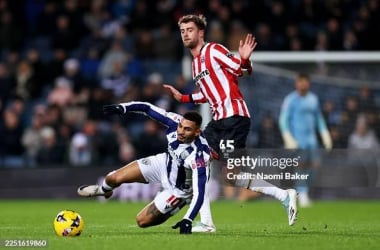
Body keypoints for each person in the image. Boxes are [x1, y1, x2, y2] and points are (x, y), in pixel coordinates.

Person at [164, 14, 298, 232]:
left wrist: (244, 59)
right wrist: (184, 98)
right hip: (218, 121)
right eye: (182, 31)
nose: (186, 34)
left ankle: (283, 195)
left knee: (229, 175)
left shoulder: (214, 50)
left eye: (190, 29)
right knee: (199, 161)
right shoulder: (196, 64)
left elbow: (241, 70)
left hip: (235, 118)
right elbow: (207, 94)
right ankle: (207, 222)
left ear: (200, 33)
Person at [77, 101, 211, 234]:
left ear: (197, 132)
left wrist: (188, 219)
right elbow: (146, 108)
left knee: (142, 221)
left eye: (187, 129)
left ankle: (180, 202)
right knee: (113, 178)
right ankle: (104, 190)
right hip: (163, 164)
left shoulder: (199, 156)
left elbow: (200, 193)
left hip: (179, 189)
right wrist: (123, 108)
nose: (181, 131)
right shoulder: (174, 121)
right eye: (181, 126)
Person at [279, 73, 332, 207]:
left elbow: (319, 119)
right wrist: (287, 137)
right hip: (298, 141)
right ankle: (302, 194)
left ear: (308, 83)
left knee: (315, 166)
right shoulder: (290, 99)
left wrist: (325, 134)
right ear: (296, 83)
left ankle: (303, 191)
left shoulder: (313, 99)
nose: (302, 84)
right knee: (300, 167)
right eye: (300, 81)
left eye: (304, 81)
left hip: (312, 141)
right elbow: (283, 120)